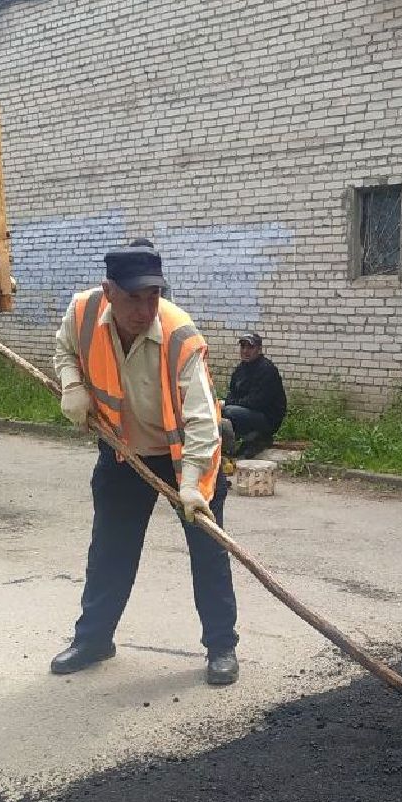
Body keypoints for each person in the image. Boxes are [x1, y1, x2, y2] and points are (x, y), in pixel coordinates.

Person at [48, 243, 239, 685]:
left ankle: (222, 646)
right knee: (110, 550)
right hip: (123, 452)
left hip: (183, 458)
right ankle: (94, 640)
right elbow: (64, 351)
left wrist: (191, 485)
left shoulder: (179, 334)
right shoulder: (81, 313)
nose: (144, 308)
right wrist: (72, 384)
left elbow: (202, 421)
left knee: (208, 552)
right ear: (108, 291)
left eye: (153, 296)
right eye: (133, 297)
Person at [220, 332, 288, 459]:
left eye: (250, 347)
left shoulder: (267, 369)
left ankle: (260, 437)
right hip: (248, 412)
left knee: (229, 411)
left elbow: (257, 402)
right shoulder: (240, 369)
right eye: (243, 347)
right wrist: (225, 403)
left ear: (259, 349)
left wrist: (228, 404)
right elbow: (232, 394)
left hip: (267, 418)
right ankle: (231, 445)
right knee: (220, 411)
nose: (245, 351)